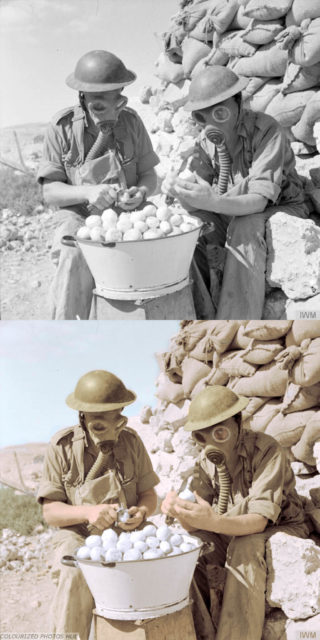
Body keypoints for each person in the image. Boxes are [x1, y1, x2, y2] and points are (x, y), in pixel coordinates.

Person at [161, 385, 310, 640]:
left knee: (245, 546)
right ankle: (199, 634)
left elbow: (259, 521)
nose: (210, 443)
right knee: (190, 551)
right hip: (228, 527)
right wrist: (180, 512)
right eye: (201, 437)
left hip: (278, 526)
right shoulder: (205, 463)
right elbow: (198, 524)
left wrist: (213, 521)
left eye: (220, 433)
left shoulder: (266, 450)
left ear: (238, 423)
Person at [161, 65, 309, 320]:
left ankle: (235, 324)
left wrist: (214, 201)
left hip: (277, 206)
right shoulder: (206, 142)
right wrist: (178, 189)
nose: (210, 122)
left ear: (238, 103)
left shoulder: (266, 130)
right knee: (189, 231)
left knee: (245, 225)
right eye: (201, 116)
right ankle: (199, 316)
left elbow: (259, 200)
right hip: (229, 207)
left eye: (219, 112)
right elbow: (200, 194)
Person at [37, 370, 159, 640]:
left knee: (163, 563)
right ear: (82, 417)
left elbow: (149, 495)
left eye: (117, 416)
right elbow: (51, 511)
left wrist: (142, 511)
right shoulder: (62, 447)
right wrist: (88, 512)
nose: (110, 426)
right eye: (98, 421)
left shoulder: (132, 443)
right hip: (79, 533)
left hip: (127, 533)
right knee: (74, 570)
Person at [37, 50, 159, 319]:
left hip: (128, 215)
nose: (110, 108)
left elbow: (150, 175)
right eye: (98, 102)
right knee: (73, 251)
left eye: (116, 97)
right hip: (79, 216)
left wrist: (141, 191)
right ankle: (65, 336)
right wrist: (88, 192)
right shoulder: (62, 128)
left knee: (167, 247)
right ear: (82, 98)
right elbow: (50, 191)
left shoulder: (132, 123)